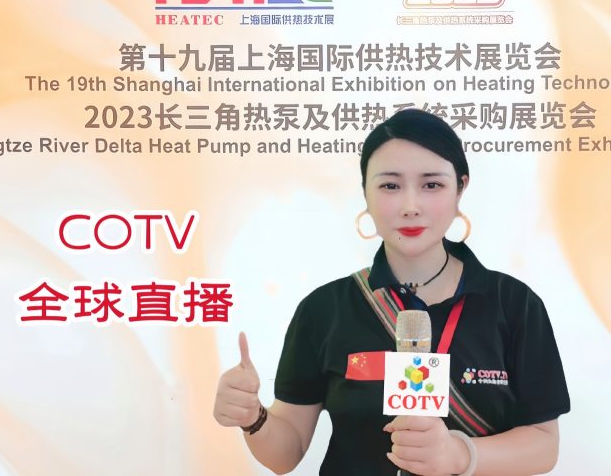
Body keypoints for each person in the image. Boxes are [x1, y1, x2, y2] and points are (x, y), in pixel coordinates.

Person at [213, 109, 570, 475]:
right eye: (390, 186)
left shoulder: (514, 304)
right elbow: (285, 454)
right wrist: (253, 418)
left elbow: (544, 444)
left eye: (432, 185)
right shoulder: (324, 309)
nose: (410, 207)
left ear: (460, 188)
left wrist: (459, 454)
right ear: (365, 193)